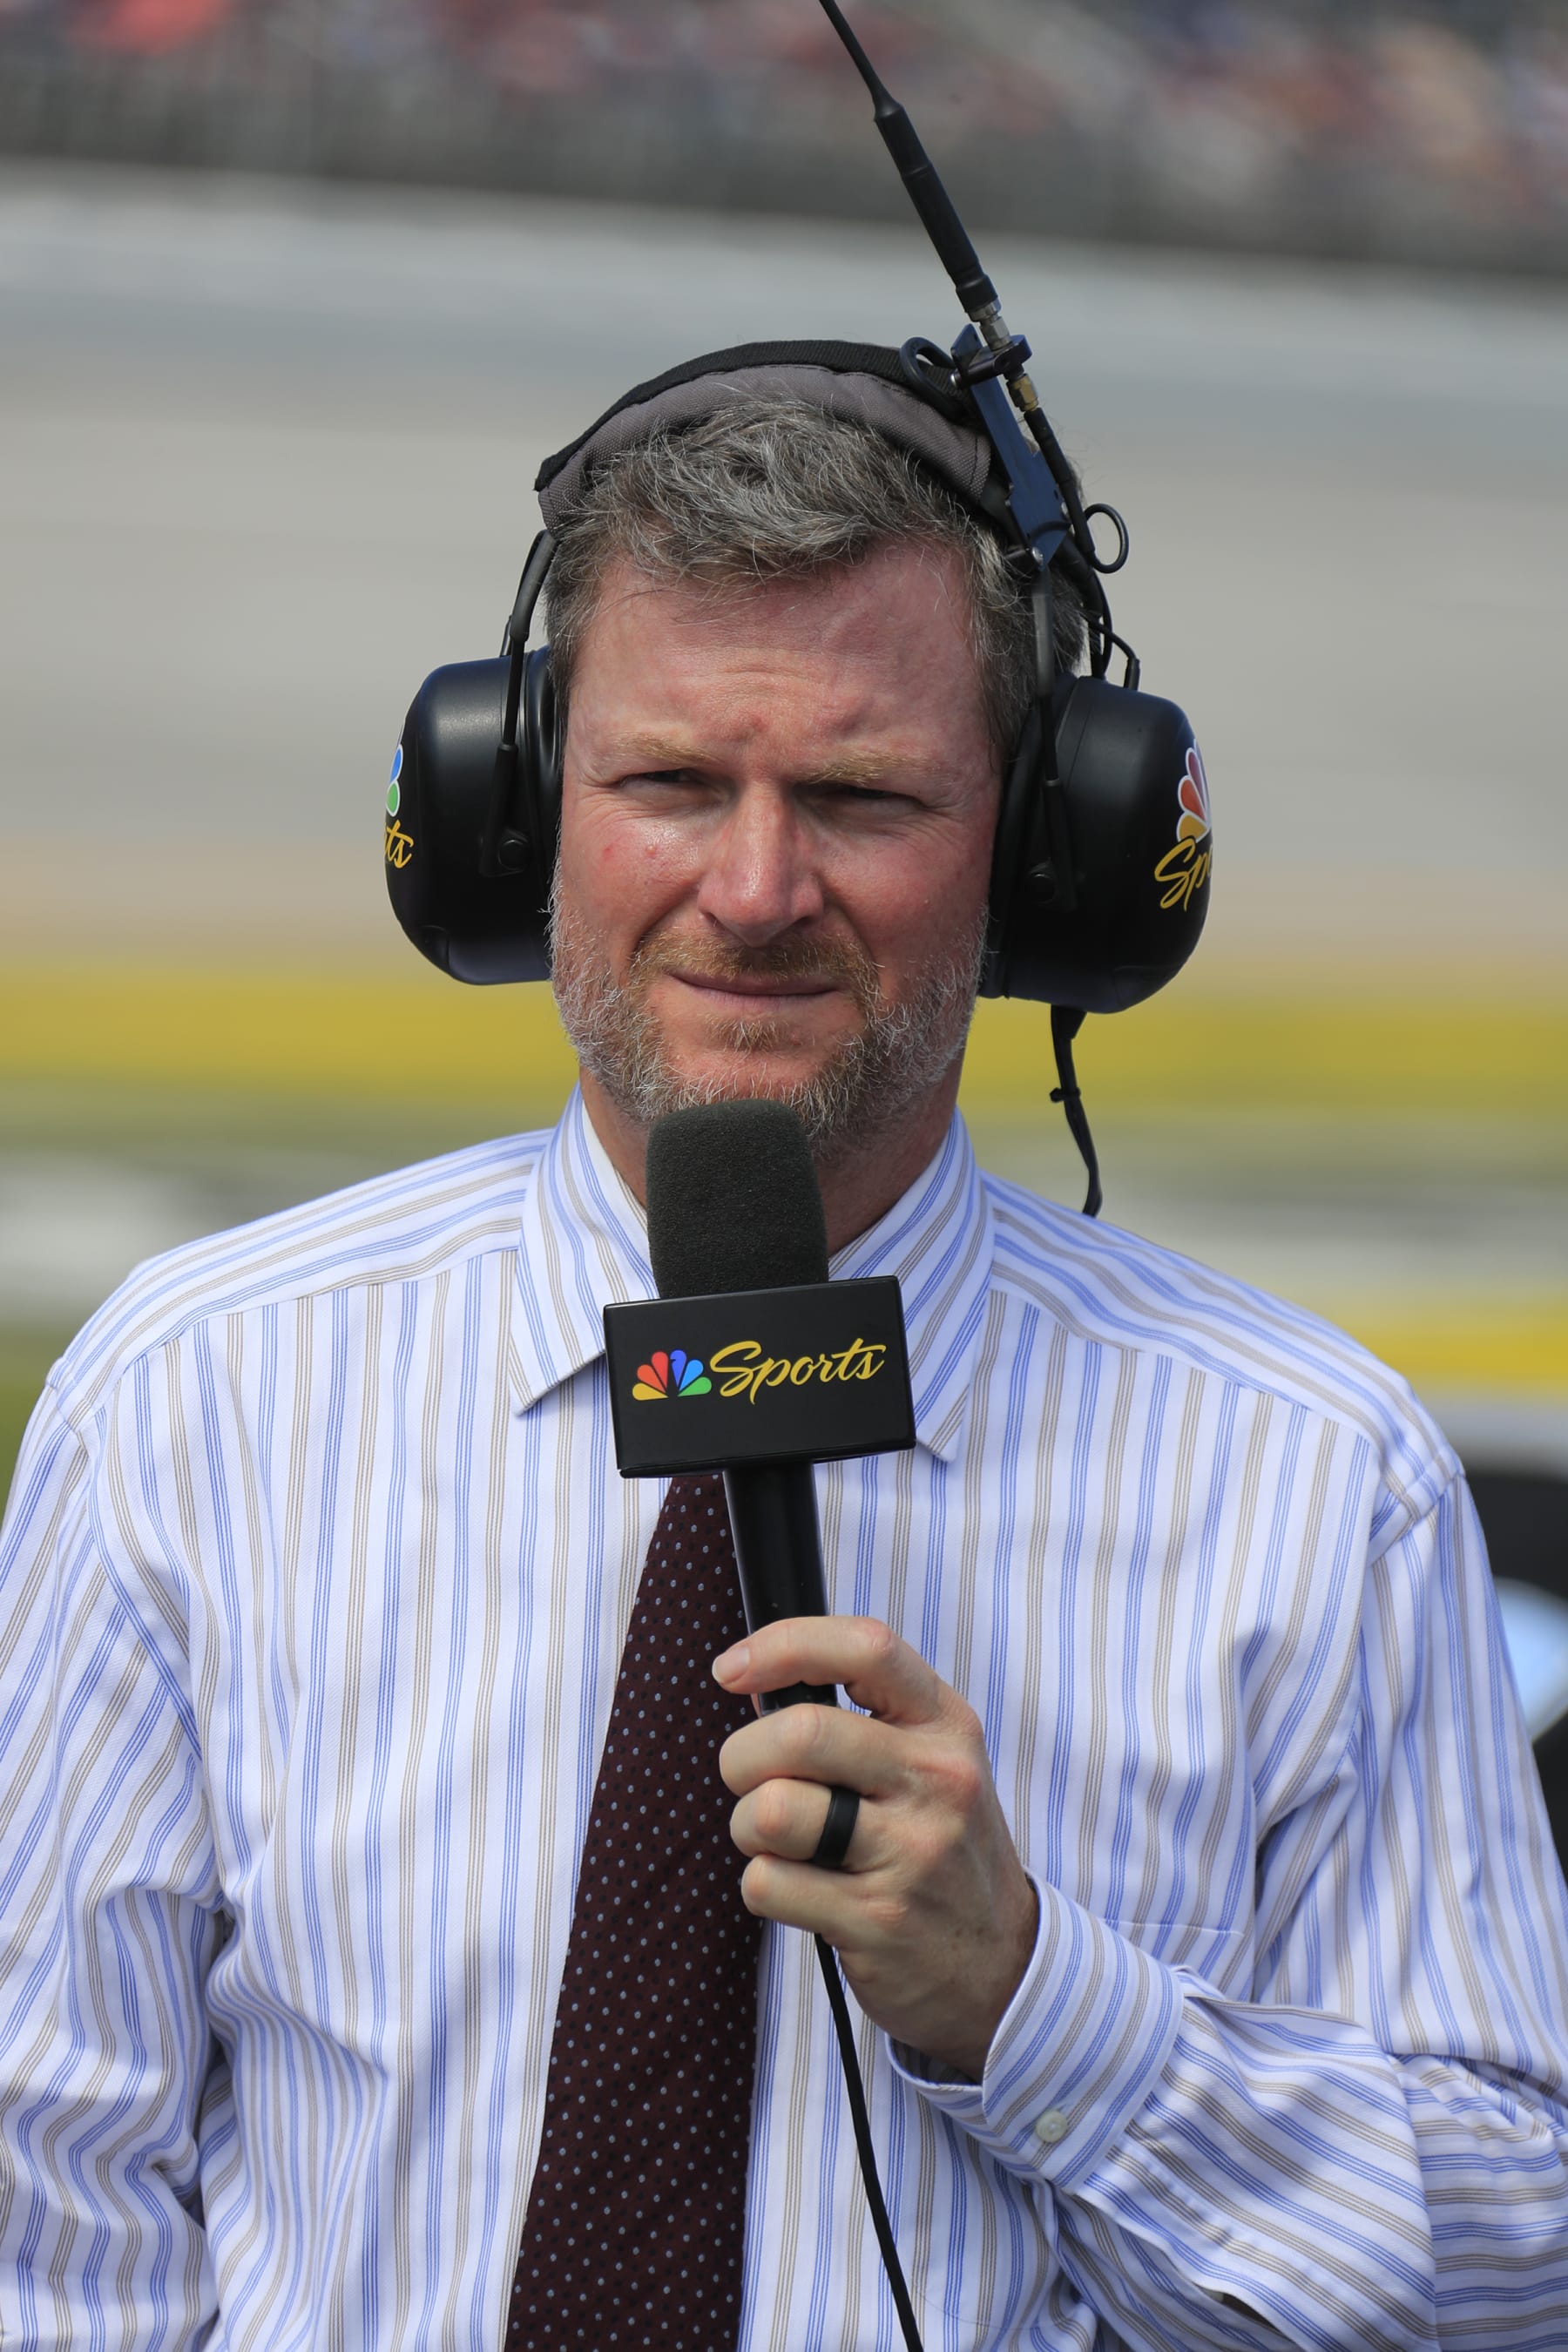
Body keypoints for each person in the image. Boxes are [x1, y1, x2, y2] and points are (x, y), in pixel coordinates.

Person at [2, 364, 1565, 2352]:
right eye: (669, 784)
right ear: (514, 818)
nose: (753, 894)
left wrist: (1039, 2004)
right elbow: (47, 2215)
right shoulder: (193, 1403)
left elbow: (1521, 2265)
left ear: (1039, 850)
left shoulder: (1318, 1484)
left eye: (862, 797)